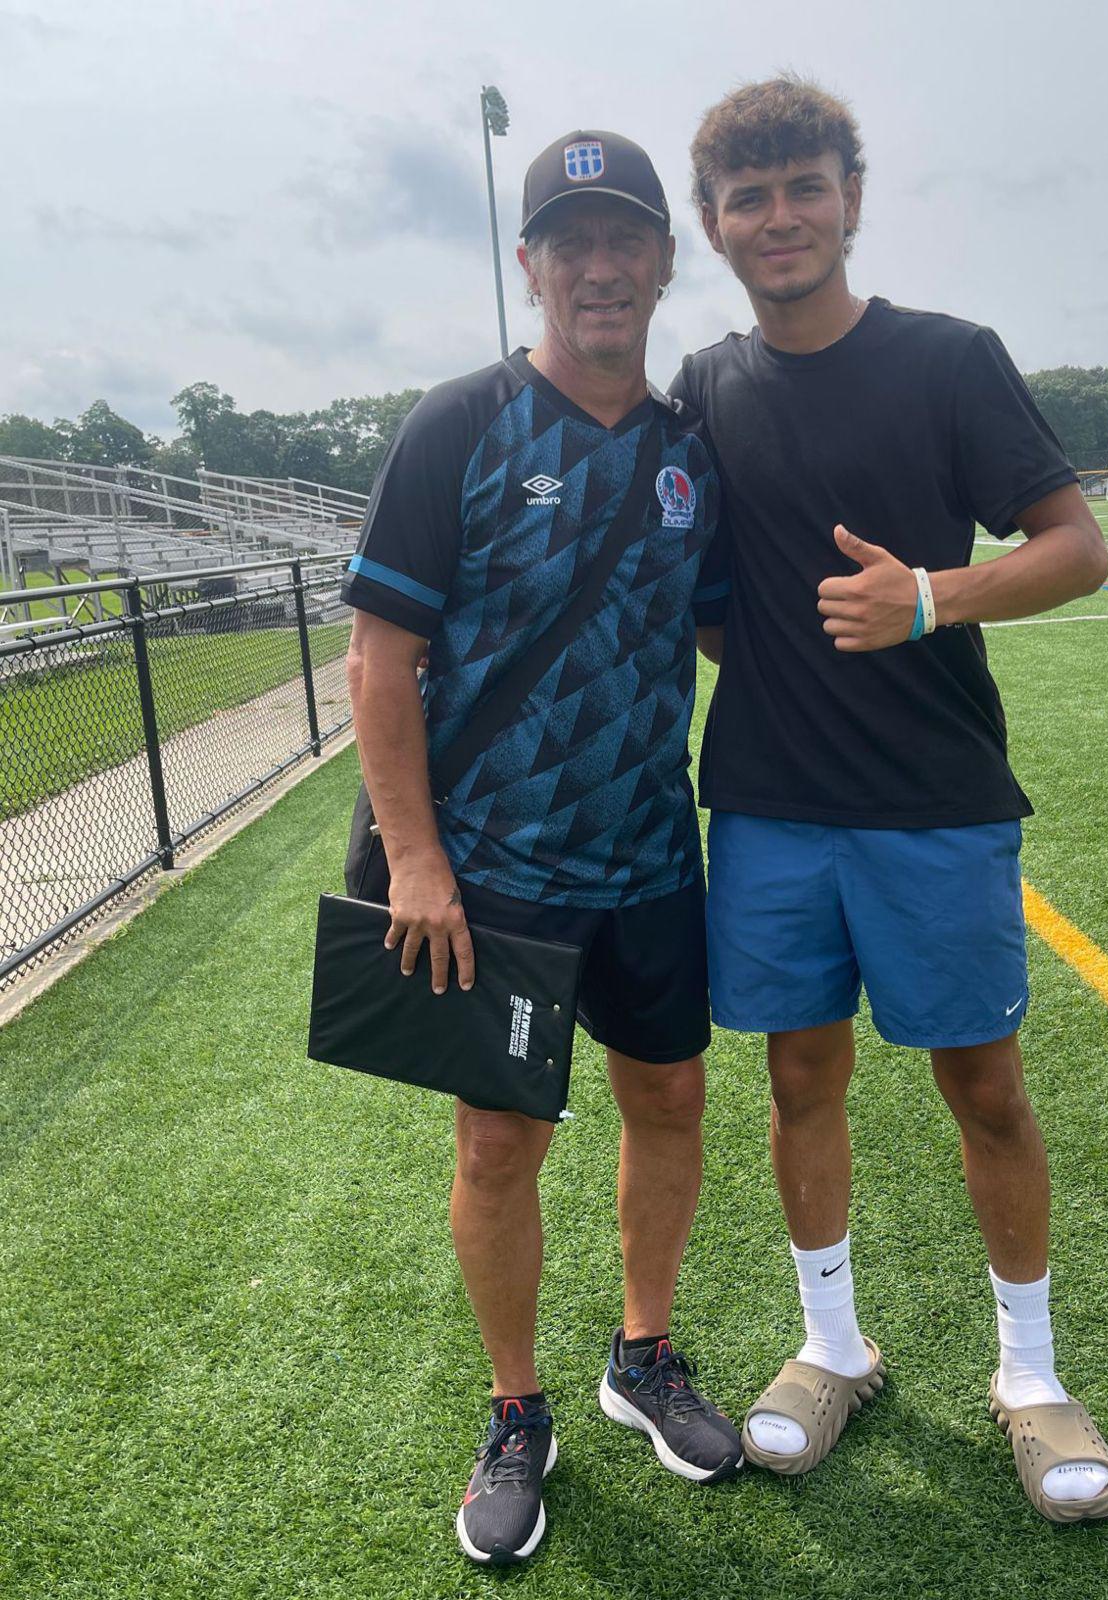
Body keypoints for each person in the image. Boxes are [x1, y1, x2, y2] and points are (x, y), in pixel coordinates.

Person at [673, 75, 1108, 1522]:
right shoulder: (703, 388)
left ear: (850, 200)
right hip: (768, 810)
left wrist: (929, 598)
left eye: (805, 186)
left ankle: (1030, 1376)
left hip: (934, 798)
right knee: (797, 1077)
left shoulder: (947, 360)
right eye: (750, 198)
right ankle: (830, 1349)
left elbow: (1075, 547)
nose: (780, 217)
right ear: (714, 225)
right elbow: (708, 597)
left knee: (982, 1085)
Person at [342, 128, 741, 1568]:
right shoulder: (458, 423)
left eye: (622, 236)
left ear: (661, 258)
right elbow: (379, 662)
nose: (598, 266)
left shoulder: (691, 450)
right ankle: (516, 1410)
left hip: (647, 856)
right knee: (498, 1139)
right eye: (566, 241)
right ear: (528, 266)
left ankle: (643, 1359)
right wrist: (419, 862)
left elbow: (713, 629)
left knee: (671, 1102)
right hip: (494, 872)